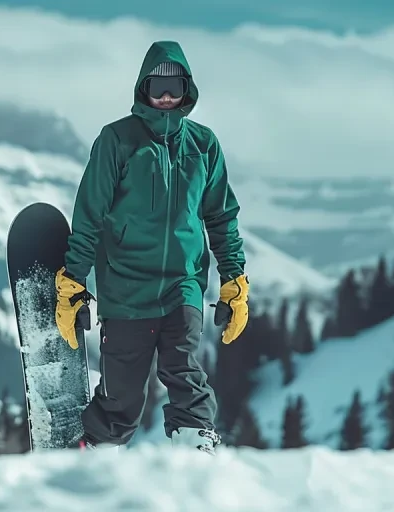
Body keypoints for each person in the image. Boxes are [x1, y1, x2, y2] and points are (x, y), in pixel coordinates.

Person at [54, 40, 249, 454]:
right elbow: (90, 216)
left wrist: (235, 279)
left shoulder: (203, 145)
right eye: (157, 85)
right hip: (126, 289)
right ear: (143, 87)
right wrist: (73, 280)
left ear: (186, 90)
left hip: (183, 286)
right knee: (122, 396)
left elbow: (221, 217)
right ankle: (97, 457)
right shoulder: (116, 140)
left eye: (174, 86)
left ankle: (196, 448)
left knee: (184, 368)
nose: (165, 95)